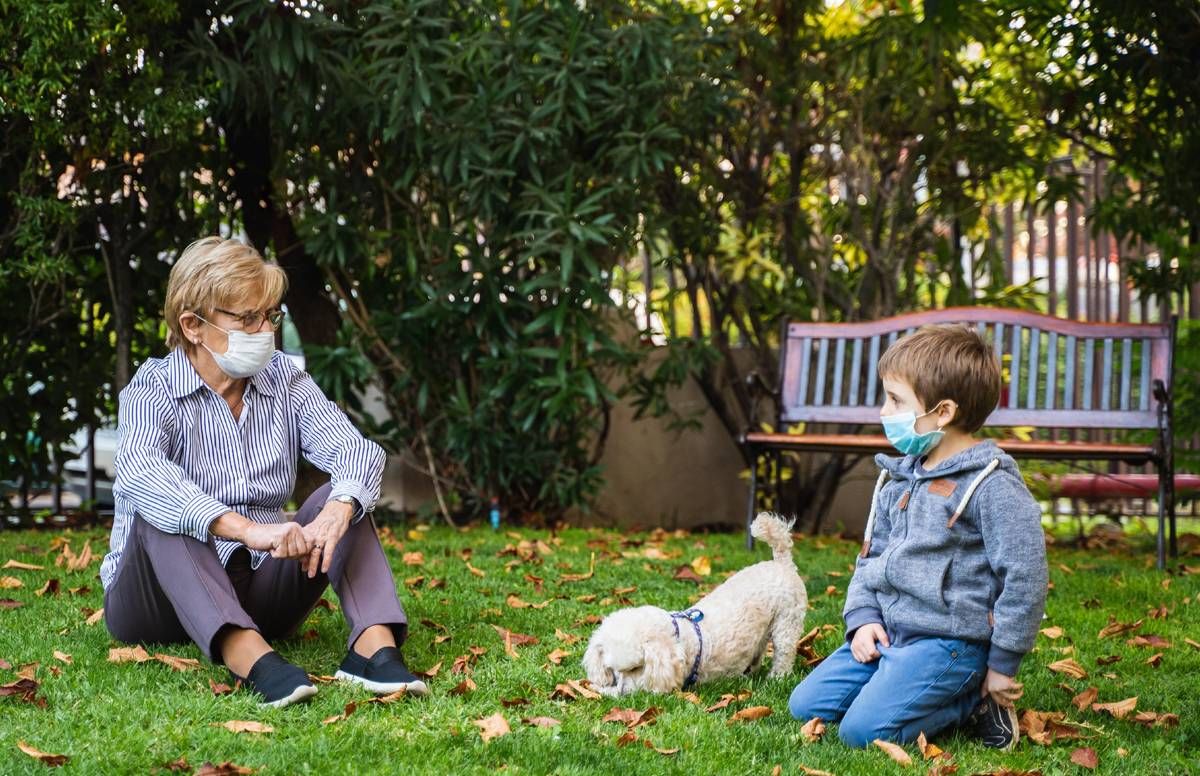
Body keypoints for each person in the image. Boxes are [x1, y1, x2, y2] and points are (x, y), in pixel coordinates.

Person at [100, 236, 427, 708]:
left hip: (259, 587)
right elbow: (141, 473)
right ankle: (248, 655)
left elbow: (354, 451)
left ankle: (372, 648)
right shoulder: (153, 389)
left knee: (345, 492)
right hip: (155, 604)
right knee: (163, 505)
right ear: (193, 325)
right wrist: (246, 529)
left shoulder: (284, 377)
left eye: (270, 315)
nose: (265, 330)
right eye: (247, 318)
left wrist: (339, 507)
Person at [788, 324, 1048, 750]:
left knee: (862, 733)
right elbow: (871, 558)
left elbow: (1026, 575)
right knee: (807, 706)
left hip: (950, 644)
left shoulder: (992, 486)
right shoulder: (900, 476)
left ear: (942, 412)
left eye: (895, 400)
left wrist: (1003, 663)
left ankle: (970, 700)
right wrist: (863, 620)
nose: (883, 411)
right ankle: (900, 683)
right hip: (892, 632)